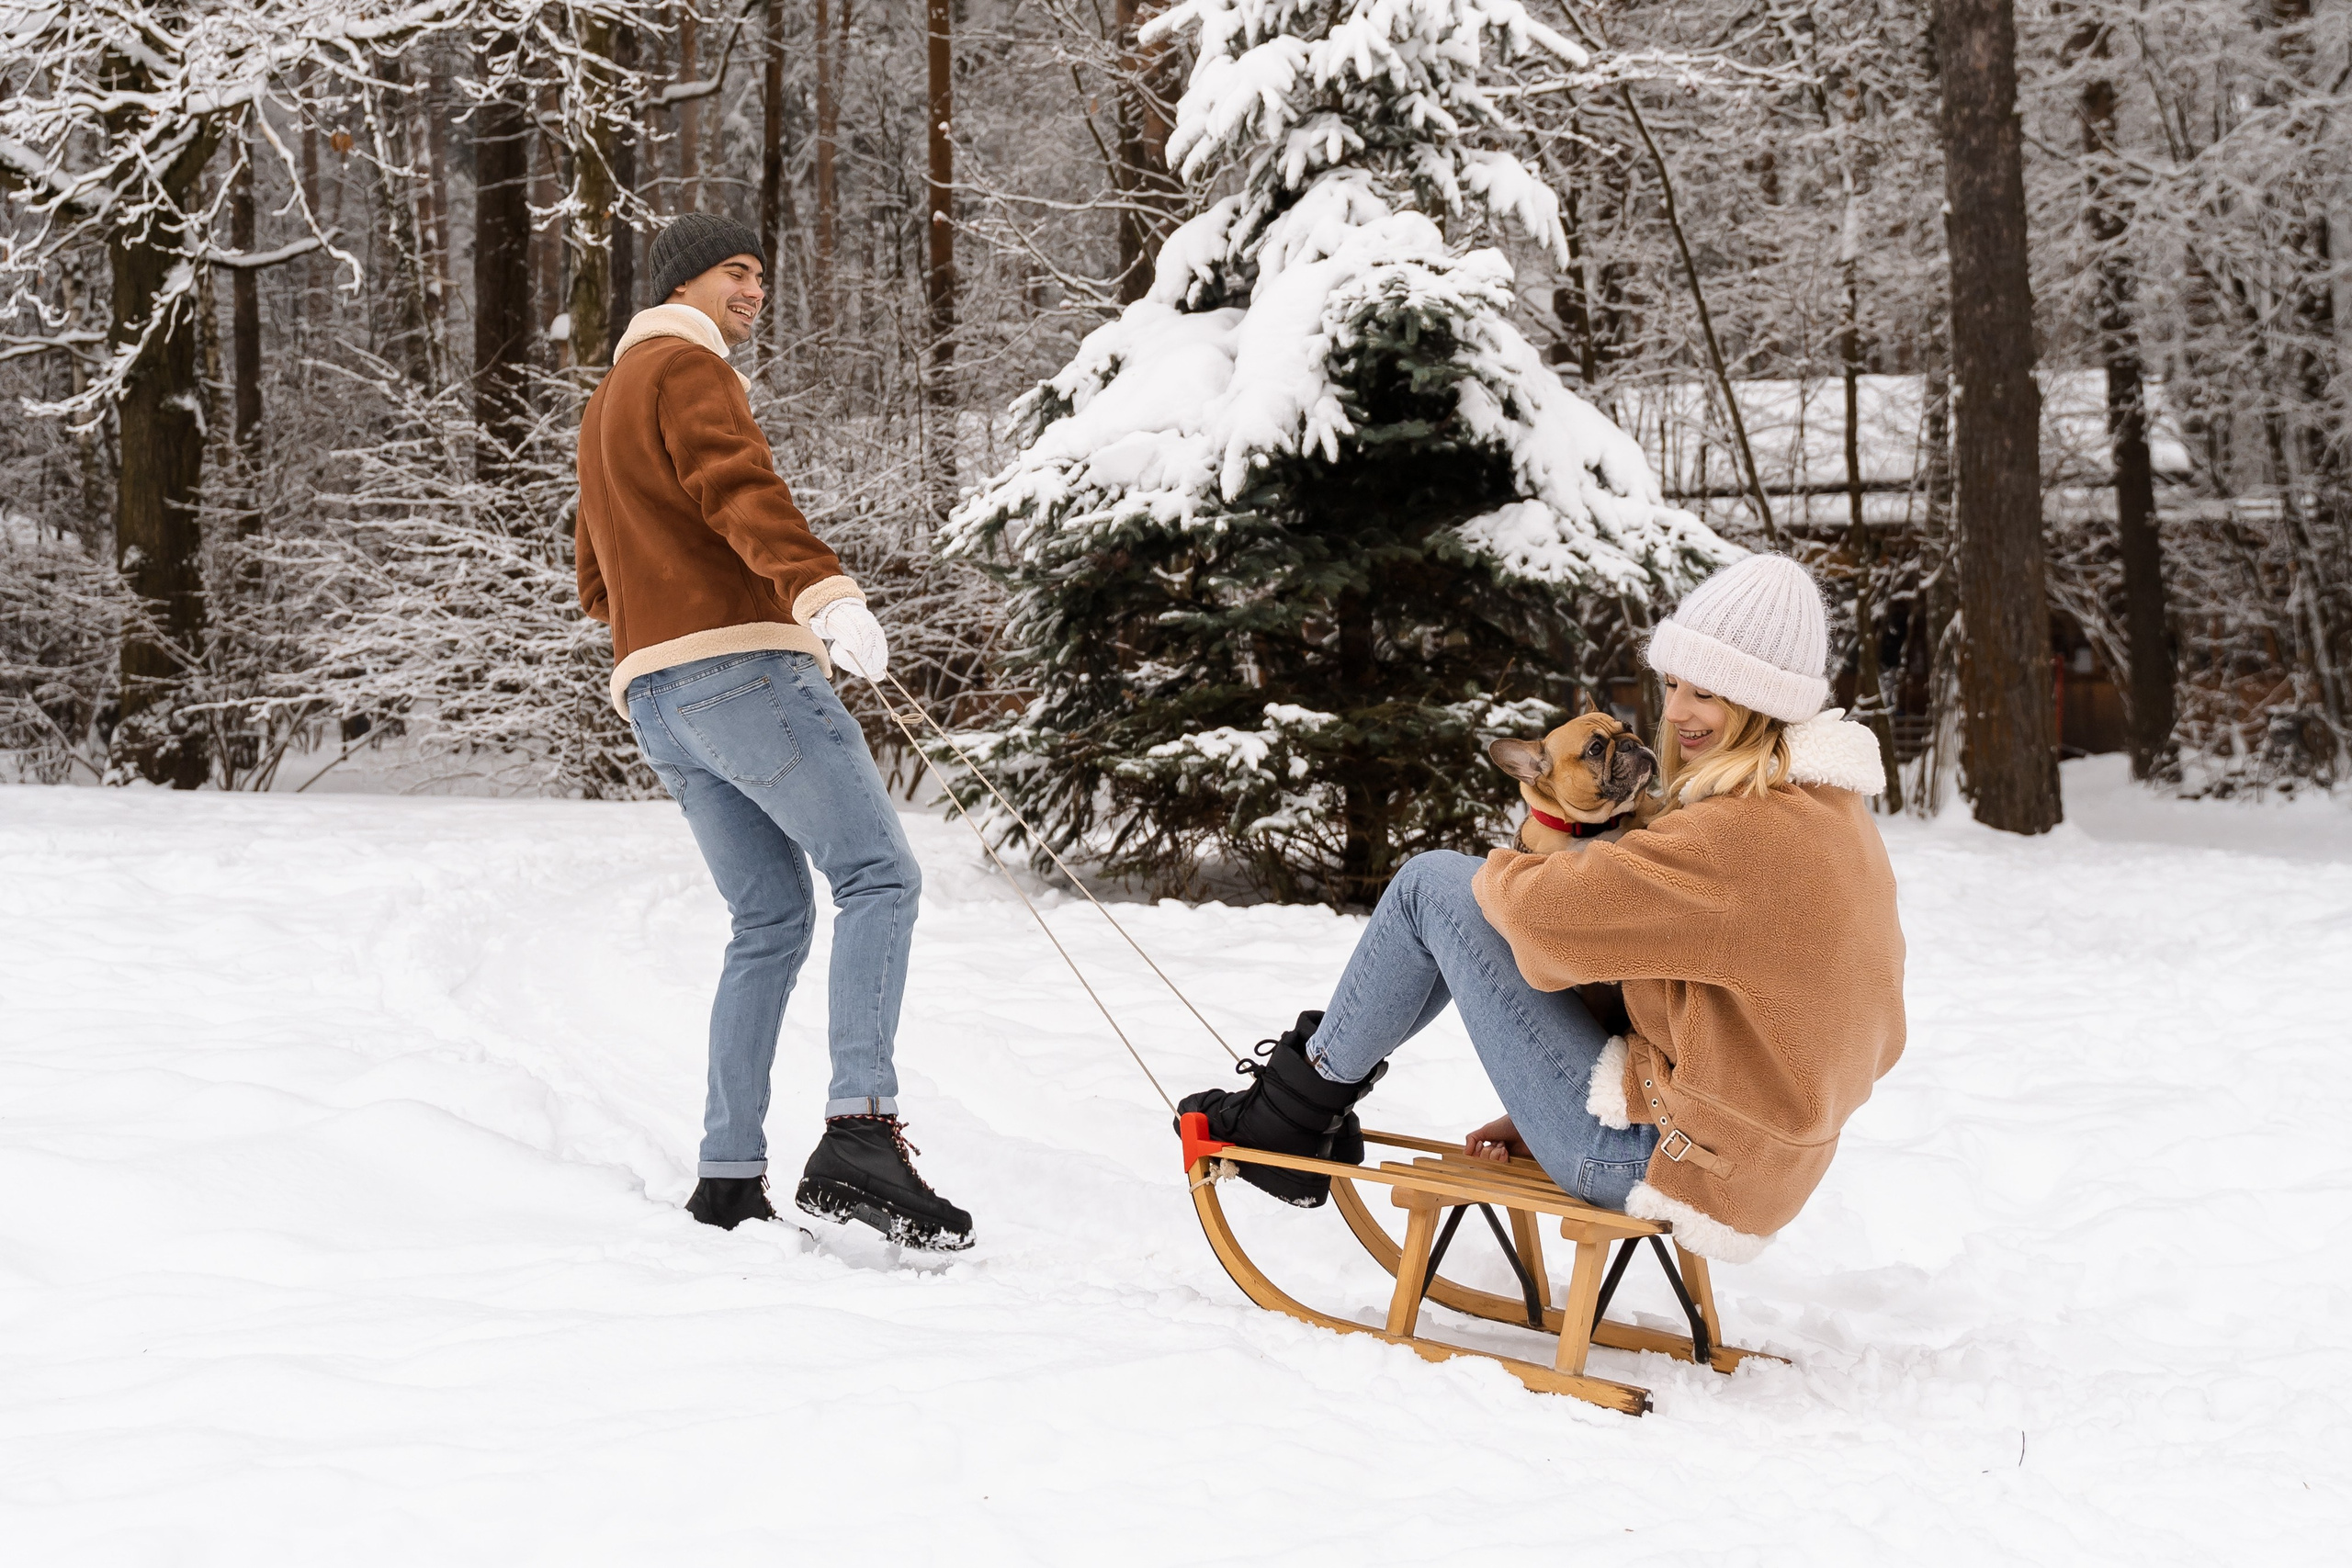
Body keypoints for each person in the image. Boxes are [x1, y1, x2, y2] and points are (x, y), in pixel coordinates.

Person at [1178, 554, 1905, 1261]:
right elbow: (1876, 1037)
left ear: (1760, 704)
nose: (1675, 711)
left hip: (1657, 1164)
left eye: (1706, 693)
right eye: (1674, 683)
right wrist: (1612, 1090)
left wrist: (1529, 852)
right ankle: (1304, 1104)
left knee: (1434, 883)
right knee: (1450, 892)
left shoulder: (1738, 835)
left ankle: (1286, 1119)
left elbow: (1536, 921)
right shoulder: (1833, 821)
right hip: (1741, 1174)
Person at [575, 212, 972, 1249]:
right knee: (879, 877)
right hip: (743, 671)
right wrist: (822, 592)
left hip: (656, 699)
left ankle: (727, 1177)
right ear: (682, 284)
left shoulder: (606, 401)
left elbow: (591, 576)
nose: (753, 290)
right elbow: (737, 486)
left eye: (759, 274)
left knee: (768, 923)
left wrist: (661, 610)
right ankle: (859, 1132)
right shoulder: (686, 365)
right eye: (735, 271)